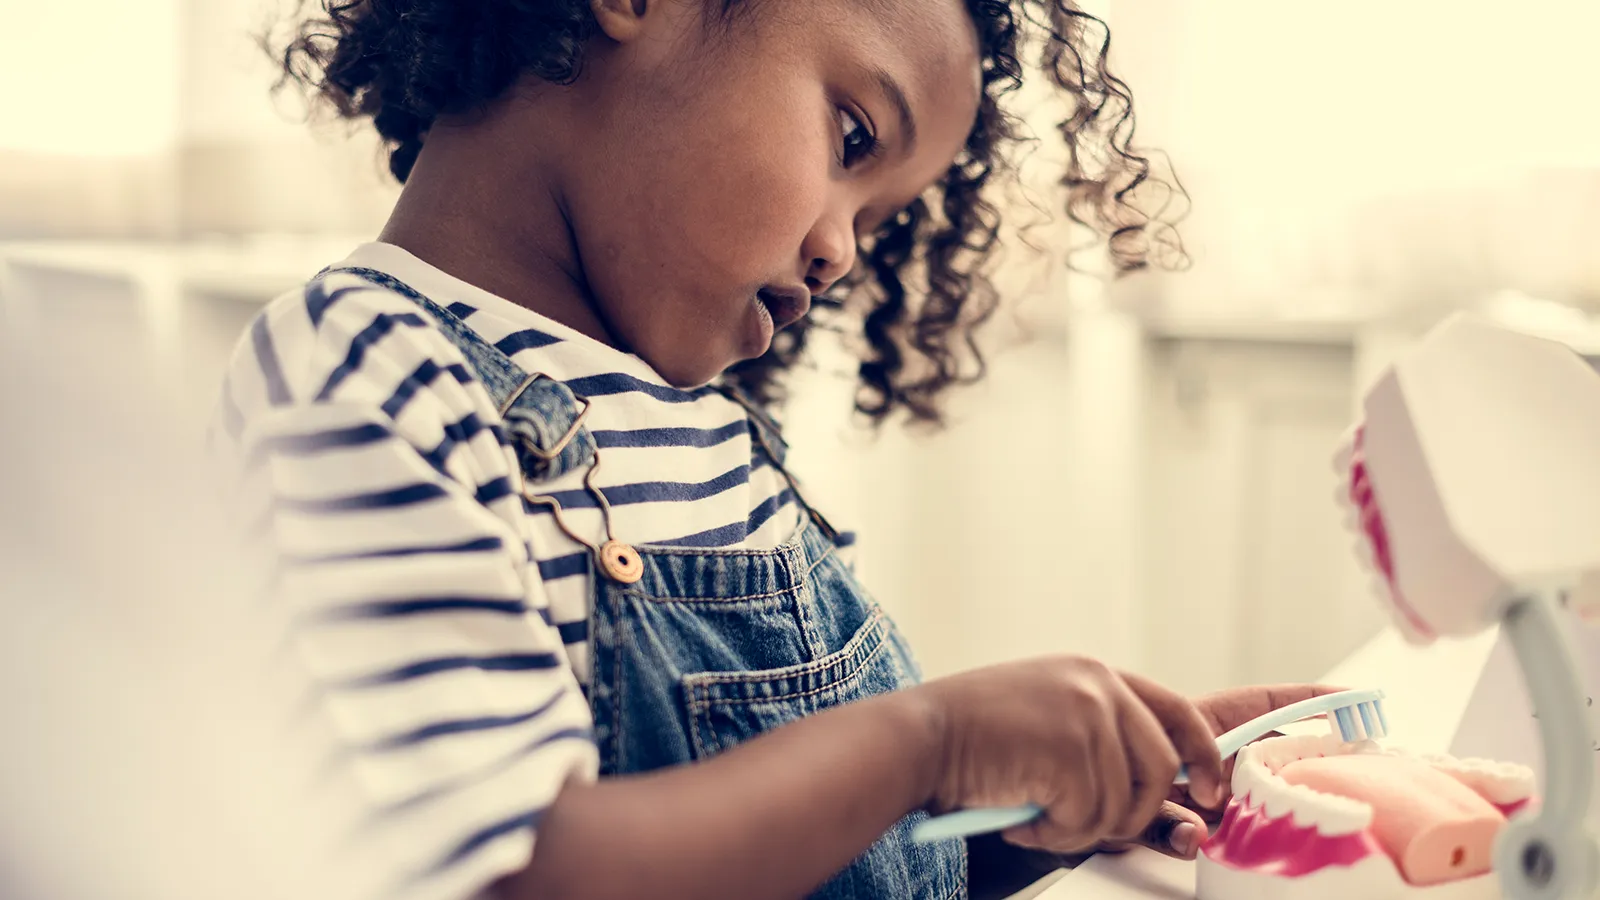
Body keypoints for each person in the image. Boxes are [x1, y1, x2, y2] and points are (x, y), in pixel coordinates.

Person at [213, 1, 1335, 898]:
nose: (843, 252)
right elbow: (507, 869)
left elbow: (852, 865)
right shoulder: (364, 371)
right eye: (853, 140)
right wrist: (928, 740)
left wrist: (1065, 803)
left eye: (883, 217)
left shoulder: (697, 427)